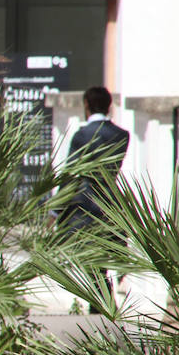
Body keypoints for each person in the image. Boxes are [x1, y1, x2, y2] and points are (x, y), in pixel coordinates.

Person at [60, 85, 129, 308]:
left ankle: (103, 303)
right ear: (109, 106)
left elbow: (70, 172)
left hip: (86, 202)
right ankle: (103, 301)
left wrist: (56, 208)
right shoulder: (122, 135)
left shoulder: (82, 135)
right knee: (103, 253)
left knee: (89, 255)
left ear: (86, 106)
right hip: (111, 201)